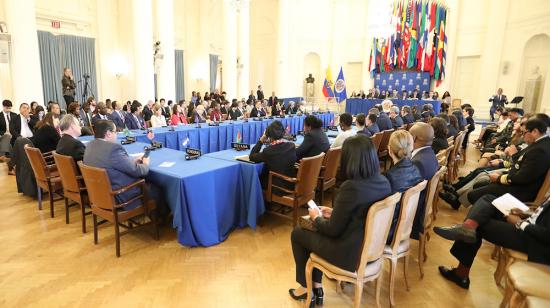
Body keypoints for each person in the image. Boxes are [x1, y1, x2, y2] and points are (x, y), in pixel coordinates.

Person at [289, 135, 392, 305]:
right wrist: (334, 212)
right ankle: (317, 287)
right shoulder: (383, 182)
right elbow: (359, 213)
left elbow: (332, 230)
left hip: (347, 253)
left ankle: (306, 288)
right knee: (306, 233)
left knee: (298, 233)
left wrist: (316, 218)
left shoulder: (351, 187)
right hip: (369, 248)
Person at [434, 194, 550, 290]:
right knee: (489, 200)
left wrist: (520, 223)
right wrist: (526, 213)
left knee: (479, 224)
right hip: (529, 227)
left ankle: (461, 273)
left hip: (535, 242)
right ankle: (468, 227)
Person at [465, 118, 550, 206]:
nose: (523, 136)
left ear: (535, 131)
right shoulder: (541, 144)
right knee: (479, 184)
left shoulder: (540, 149)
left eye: (524, 133)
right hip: (516, 183)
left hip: (520, 191)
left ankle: (483, 213)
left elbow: (522, 177)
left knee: (473, 194)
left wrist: (499, 178)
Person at [83, 120, 150, 210]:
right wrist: (145, 163)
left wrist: (131, 161)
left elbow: (110, 164)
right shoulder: (113, 149)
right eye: (115, 132)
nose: (116, 134)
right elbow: (137, 171)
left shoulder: (89, 146)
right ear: (108, 133)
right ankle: (158, 222)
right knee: (158, 190)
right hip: (120, 197)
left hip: (99, 196)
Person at [384, 130, 423, 242]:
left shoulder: (388, 178)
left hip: (389, 231)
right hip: (407, 225)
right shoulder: (416, 170)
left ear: (389, 150)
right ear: (411, 148)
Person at [409, 122, 439, 239]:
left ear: (414, 138)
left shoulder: (418, 161)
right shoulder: (430, 153)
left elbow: (408, 191)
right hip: (424, 205)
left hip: (414, 214)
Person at [249, 121, 296, 190]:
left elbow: (252, 156)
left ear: (268, 135)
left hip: (275, 188)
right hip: (291, 185)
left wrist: (261, 140)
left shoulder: (268, 151)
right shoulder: (291, 146)